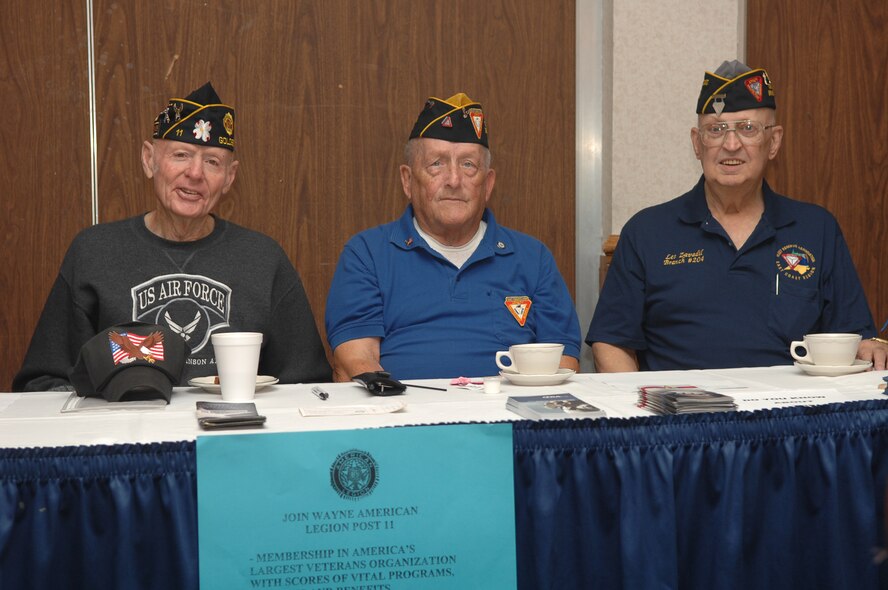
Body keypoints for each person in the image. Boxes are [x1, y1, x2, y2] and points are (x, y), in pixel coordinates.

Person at [13, 82, 331, 391]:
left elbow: (308, 384)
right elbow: (43, 383)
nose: (195, 173)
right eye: (181, 155)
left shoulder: (263, 258)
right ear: (149, 159)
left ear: (229, 177)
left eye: (212, 162)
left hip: (234, 425)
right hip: (126, 424)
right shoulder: (94, 252)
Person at [587, 61, 888, 372]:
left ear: (774, 142)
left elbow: (855, 337)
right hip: (679, 402)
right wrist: (639, 402)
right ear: (697, 143)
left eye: (748, 129)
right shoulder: (647, 232)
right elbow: (611, 342)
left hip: (789, 402)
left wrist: (871, 346)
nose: (731, 145)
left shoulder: (816, 229)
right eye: (716, 130)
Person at [325, 92, 581, 381]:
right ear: (407, 180)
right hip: (403, 406)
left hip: (508, 406)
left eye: (468, 165)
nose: (454, 180)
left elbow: (565, 361)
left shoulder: (533, 258)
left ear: (488, 184)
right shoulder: (367, 254)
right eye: (436, 163)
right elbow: (355, 361)